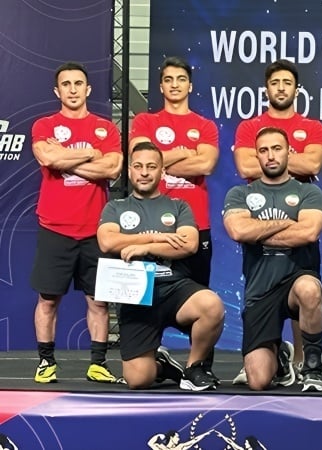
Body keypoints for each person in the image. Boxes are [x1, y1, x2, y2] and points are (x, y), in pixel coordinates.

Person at [96, 142, 225, 391]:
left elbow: (189, 244)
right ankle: (162, 366)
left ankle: (193, 368)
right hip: (135, 295)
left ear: (162, 171)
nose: (144, 172)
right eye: (138, 166)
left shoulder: (179, 206)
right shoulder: (115, 207)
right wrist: (158, 238)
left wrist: (144, 248)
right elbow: (107, 242)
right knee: (138, 380)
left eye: (151, 167)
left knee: (212, 305)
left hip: (173, 287)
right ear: (130, 171)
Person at [232, 59, 322, 384]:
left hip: (298, 238)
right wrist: (286, 224)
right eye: (275, 83)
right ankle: (277, 355)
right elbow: (246, 168)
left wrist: (258, 233)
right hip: (261, 260)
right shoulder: (249, 127)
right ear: (266, 89)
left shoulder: (312, 127)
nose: (281, 88)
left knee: (306, 290)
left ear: (296, 89)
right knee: (258, 381)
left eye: (287, 82)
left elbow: (314, 165)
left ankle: (305, 362)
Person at [30, 61, 123, 384]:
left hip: (96, 230)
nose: (72, 90)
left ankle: (98, 364)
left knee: (99, 301)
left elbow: (112, 169)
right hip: (54, 227)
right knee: (48, 299)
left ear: (88, 89)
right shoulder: (44, 125)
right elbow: (47, 158)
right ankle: (46, 362)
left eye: (78, 83)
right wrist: (91, 154)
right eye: (66, 84)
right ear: (57, 91)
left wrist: (65, 158)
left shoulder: (105, 128)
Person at [129, 56, 221, 383]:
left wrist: (163, 160)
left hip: (195, 226)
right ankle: (150, 356)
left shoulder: (205, 125)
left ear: (190, 85)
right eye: (168, 79)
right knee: (147, 299)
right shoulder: (145, 121)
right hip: (149, 226)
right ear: (161, 86)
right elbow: (140, 160)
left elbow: (206, 164)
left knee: (202, 298)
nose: (175, 85)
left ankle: (199, 366)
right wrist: (186, 152)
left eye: (181, 79)